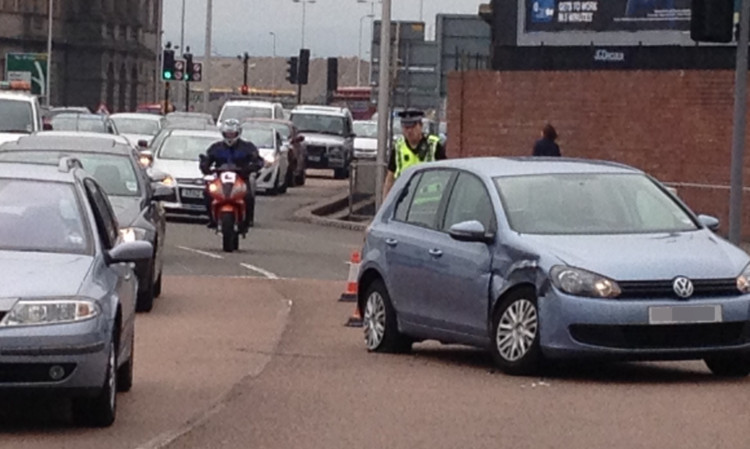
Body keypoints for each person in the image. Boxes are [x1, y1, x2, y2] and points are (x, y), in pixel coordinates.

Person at [200, 119, 265, 230]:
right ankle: (211, 218)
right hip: (220, 178)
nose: (230, 136)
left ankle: (247, 220)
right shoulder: (216, 148)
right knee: (207, 193)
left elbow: (258, 160)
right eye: (227, 134)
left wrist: (251, 167)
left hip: (241, 178)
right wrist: (205, 166)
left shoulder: (247, 147)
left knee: (248, 196)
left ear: (238, 133)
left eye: (232, 134)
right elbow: (207, 160)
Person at [383, 109, 447, 199]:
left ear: (420, 126)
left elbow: (445, 174)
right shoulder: (398, 147)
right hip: (406, 202)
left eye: (412, 127)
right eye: (406, 127)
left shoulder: (433, 145)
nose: (409, 131)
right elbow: (390, 178)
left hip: (431, 202)